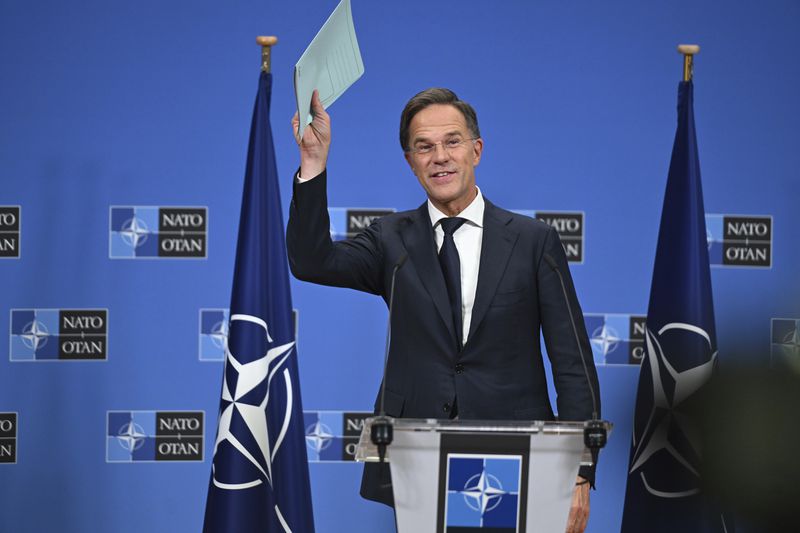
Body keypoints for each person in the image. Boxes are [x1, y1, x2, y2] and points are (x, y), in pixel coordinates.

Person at [288, 88, 600, 533]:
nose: (440, 157)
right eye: (424, 146)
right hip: (419, 460)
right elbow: (310, 261)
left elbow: (572, 364)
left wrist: (580, 469)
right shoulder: (390, 239)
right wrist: (313, 163)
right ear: (410, 161)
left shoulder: (533, 241)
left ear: (476, 150)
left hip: (517, 457)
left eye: (452, 142)